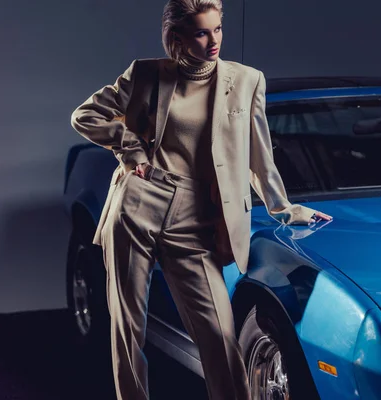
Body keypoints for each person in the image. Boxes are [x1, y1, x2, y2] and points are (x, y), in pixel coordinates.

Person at [70, 0, 332, 399]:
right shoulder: (146, 74)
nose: (213, 41)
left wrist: (284, 208)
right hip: (140, 202)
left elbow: (260, 157)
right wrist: (131, 150)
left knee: (220, 335)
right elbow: (85, 116)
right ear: (177, 38)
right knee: (128, 325)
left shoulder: (246, 81)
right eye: (201, 32)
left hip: (198, 215)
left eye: (218, 29)